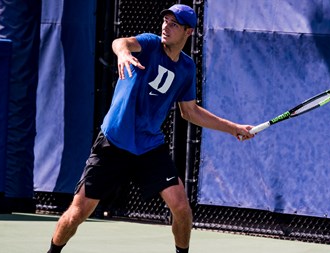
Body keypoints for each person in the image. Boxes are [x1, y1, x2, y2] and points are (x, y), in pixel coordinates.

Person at [47, 4, 254, 253]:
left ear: (188, 32)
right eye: (165, 21)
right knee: (78, 213)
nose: (166, 26)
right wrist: (123, 54)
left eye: (174, 23)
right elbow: (120, 42)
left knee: (181, 207)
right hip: (113, 143)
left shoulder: (187, 68)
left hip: (148, 146)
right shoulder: (150, 44)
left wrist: (233, 128)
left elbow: (190, 111)